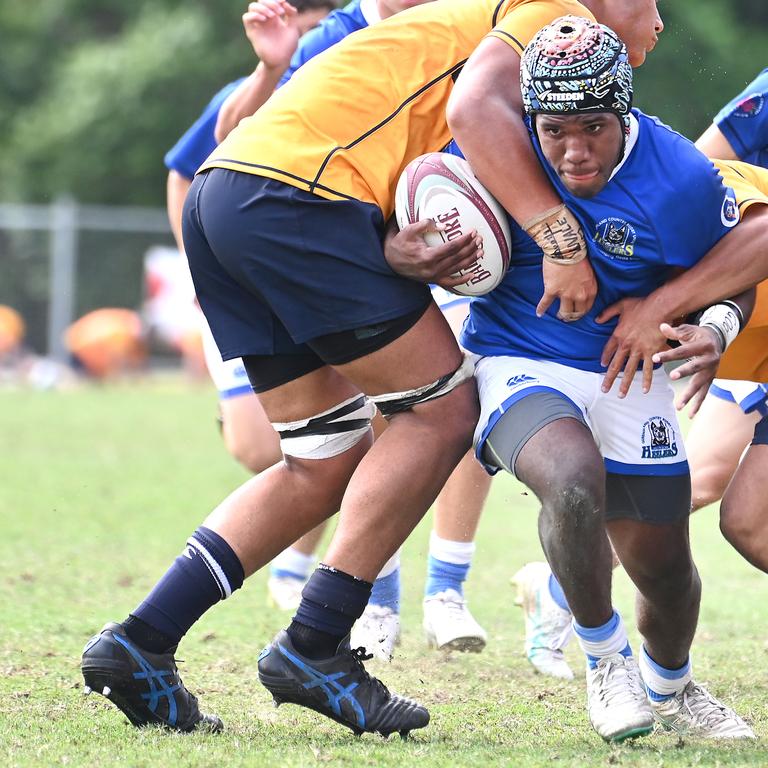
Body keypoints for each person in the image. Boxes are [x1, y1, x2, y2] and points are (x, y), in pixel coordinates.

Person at [81, 0, 667, 738]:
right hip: (296, 199)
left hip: (235, 195)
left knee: (320, 461)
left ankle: (141, 641)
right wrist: (560, 240)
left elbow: (405, 143)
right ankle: (316, 643)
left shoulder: (499, 42)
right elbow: (474, 104)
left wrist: (384, 241)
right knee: (444, 412)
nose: (658, 18)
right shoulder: (553, 13)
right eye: (651, 1)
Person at [459, 18, 758, 741]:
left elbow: (749, 255)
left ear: (622, 109)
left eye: (592, 127)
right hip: (516, 356)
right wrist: (408, 252)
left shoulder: (680, 178)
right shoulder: (503, 152)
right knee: (568, 478)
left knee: (666, 573)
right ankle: (604, 656)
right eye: (554, 129)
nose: (572, 150)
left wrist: (709, 325)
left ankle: (674, 686)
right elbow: (418, 209)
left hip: (630, 376)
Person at [686, 68, 768, 512]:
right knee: (698, 478)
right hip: (751, 302)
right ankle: (557, 586)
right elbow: (699, 176)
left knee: (718, 494)